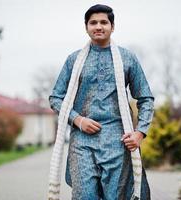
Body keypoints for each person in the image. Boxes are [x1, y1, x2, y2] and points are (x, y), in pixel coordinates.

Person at [48, 4, 154, 200]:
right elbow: (56, 97)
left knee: (116, 196)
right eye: (93, 22)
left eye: (104, 22)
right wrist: (78, 120)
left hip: (118, 141)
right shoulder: (74, 60)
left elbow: (145, 98)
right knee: (84, 195)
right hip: (82, 142)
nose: (98, 26)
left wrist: (140, 133)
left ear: (112, 27)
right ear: (86, 27)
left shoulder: (127, 58)